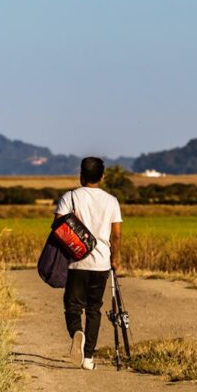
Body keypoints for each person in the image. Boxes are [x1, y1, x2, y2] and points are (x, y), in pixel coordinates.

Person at [55, 156, 123, 371]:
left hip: (76, 263)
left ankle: (77, 332)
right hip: (102, 263)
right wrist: (115, 257)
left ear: (81, 174)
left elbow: (57, 225)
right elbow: (117, 235)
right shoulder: (111, 201)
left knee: (72, 307)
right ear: (102, 176)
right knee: (94, 309)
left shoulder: (70, 197)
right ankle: (88, 358)